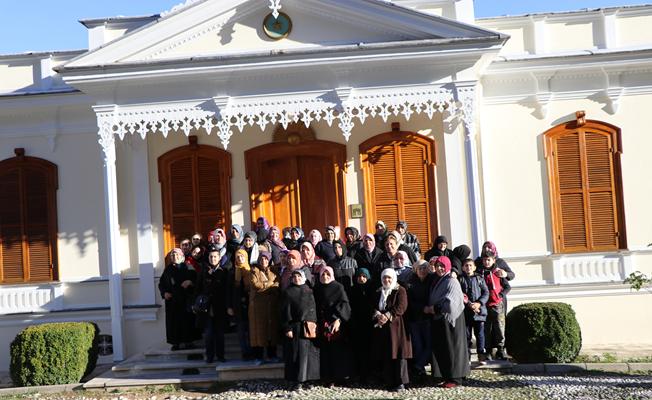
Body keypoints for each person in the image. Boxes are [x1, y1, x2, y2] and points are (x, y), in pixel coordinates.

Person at [427, 256, 469, 388]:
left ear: (448, 267)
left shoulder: (451, 281)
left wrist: (433, 309)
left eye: (442, 266)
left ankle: (455, 378)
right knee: (445, 348)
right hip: (441, 319)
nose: (439, 268)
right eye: (438, 265)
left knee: (453, 348)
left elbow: (451, 303)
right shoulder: (438, 280)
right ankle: (447, 376)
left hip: (451, 320)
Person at [371, 268, 412, 391]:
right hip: (383, 328)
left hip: (397, 327)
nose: (387, 280)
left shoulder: (400, 290)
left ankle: (400, 382)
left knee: (399, 354)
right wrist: (378, 315)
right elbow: (373, 305)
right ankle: (389, 380)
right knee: (387, 353)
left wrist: (388, 315)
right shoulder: (379, 291)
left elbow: (401, 306)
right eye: (384, 277)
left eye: (389, 278)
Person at [282, 270, 320, 390]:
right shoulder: (288, 292)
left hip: (309, 327)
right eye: (294, 276)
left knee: (309, 356)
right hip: (295, 327)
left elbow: (313, 308)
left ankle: (309, 379)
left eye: (299, 276)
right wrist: (287, 327)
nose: (297, 278)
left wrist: (313, 323)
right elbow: (284, 312)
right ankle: (296, 380)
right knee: (296, 355)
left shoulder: (309, 290)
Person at [314, 266, 353, 386]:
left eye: (327, 274)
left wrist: (338, 320)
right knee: (326, 352)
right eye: (323, 275)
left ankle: (340, 377)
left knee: (338, 351)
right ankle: (328, 378)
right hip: (322, 323)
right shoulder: (317, 288)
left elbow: (344, 304)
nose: (325, 277)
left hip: (336, 323)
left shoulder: (338, 287)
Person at [195, 247, 232, 363]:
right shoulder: (203, 271)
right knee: (209, 334)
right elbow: (198, 289)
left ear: (219, 258)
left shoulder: (224, 271)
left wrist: (228, 306)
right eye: (211, 256)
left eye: (215, 256)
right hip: (206, 308)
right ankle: (209, 356)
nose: (213, 259)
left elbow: (226, 290)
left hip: (220, 307)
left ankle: (220, 356)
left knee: (220, 334)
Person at [159, 248, 199, 350]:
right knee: (174, 323)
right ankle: (175, 343)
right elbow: (161, 284)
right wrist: (164, 293)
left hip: (186, 300)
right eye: (172, 255)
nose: (175, 257)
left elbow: (197, 279)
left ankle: (189, 342)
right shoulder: (168, 269)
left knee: (187, 321)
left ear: (182, 256)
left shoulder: (188, 266)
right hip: (173, 301)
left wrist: (190, 282)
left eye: (177, 255)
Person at [249, 251, 280, 362]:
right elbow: (255, 285)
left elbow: (277, 285)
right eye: (261, 259)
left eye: (266, 259)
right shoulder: (254, 271)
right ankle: (258, 356)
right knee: (259, 331)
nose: (264, 261)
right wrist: (269, 284)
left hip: (271, 306)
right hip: (258, 307)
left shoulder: (273, 271)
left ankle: (272, 355)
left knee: (271, 330)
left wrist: (266, 285)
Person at [405, 260, 433, 380]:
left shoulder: (432, 280)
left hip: (429, 318)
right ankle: (420, 371)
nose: (422, 270)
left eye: (424, 268)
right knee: (418, 345)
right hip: (415, 318)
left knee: (429, 345)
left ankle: (418, 366)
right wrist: (423, 308)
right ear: (415, 270)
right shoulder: (410, 282)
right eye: (419, 268)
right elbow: (410, 301)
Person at [481, 251, 510, 360]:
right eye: (484, 260)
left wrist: (500, 295)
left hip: (497, 304)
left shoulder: (498, 273)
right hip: (485, 305)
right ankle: (488, 350)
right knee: (486, 328)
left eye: (489, 260)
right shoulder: (480, 273)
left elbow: (507, 287)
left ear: (493, 260)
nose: (486, 262)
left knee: (499, 327)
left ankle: (500, 349)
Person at [459, 257, 489, 364]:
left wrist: (479, 303)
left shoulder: (480, 278)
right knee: (467, 335)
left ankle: (481, 355)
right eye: (466, 266)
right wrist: (469, 304)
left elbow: (486, 293)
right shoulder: (460, 279)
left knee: (480, 334)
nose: (468, 268)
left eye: (470, 265)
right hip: (466, 312)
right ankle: (467, 357)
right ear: (462, 268)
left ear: (474, 267)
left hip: (479, 312)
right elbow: (460, 294)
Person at [349, 268, 374, 383]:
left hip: (370, 324)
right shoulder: (352, 290)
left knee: (369, 350)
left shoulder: (372, 290)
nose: (361, 279)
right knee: (358, 350)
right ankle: (358, 373)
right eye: (359, 276)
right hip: (357, 324)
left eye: (364, 276)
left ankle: (369, 374)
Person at [233, 248, 254, 360]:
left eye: (242, 256)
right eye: (238, 257)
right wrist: (230, 306)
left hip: (250, 304)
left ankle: (252, 351)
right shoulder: (233, 271)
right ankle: (244, 352)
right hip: (238, 306)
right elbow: (229, 291)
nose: (240, 259)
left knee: (251, 330)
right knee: (241, 331)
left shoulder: (250, 270)